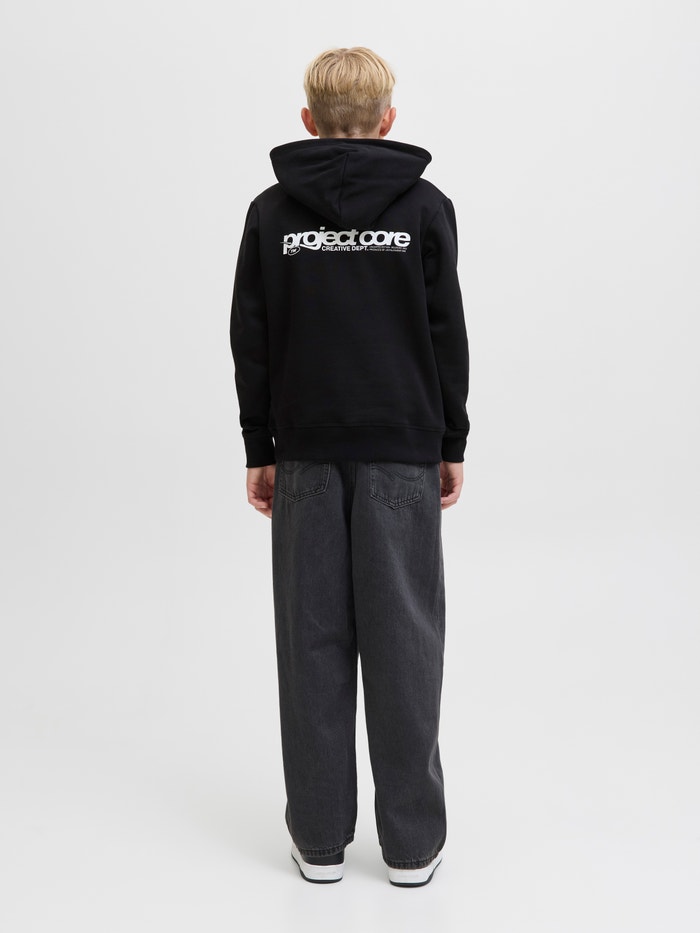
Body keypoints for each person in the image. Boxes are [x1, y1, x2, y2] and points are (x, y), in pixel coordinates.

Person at [229, 46, 470, 887]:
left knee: (312, 644)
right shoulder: (424, 208)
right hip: (402, 450)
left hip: (304, 452)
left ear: (308, 121)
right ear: (389, 119)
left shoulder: (271, 213)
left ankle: (320, 839)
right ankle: (412, 846)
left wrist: (259, 446)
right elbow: (447, 331)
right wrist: (450, 440)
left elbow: (251, 337)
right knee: (405, 644)